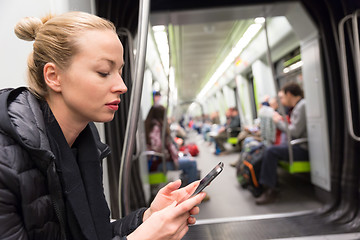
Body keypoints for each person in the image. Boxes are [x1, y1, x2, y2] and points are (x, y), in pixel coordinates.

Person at [0, 12, 206, 240]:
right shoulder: (5, 162)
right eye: (104, 72)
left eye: (119, 71)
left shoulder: (83, 147)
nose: (122, 86)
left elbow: (94, 235)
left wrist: (147, 217)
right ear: (53, 76)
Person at [256, 82, 308, 205]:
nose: (281, 100)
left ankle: (270, 190)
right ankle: (265, 185)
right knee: (268, 148)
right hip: (295, 145)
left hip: (302, 148)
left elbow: (294, 132)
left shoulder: (302, 106)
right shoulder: (296, 107)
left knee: (271, 151)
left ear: (289, 94)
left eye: (283, 97)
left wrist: (278, 122)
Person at [145, 105, 199, 185]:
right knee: (192, 162)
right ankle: (193, 191)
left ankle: (186, 184)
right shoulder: (156, 127)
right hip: (160, 163)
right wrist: (170, 155)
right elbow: (157, 147)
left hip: (158, 161)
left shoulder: (151, 125)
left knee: (187, 157)